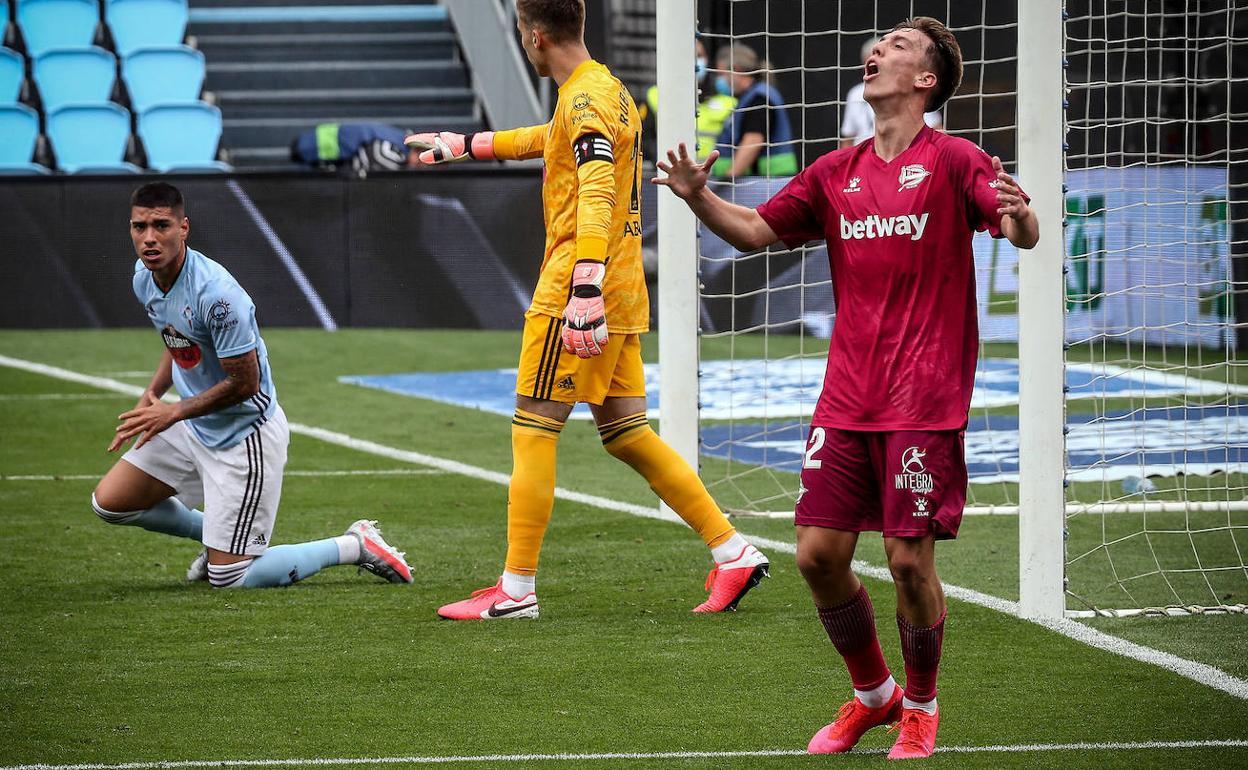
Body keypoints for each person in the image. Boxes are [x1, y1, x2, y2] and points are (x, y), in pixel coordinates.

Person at [654, 17, 1037, 759]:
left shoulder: (955, 160)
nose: (878, 50)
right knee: (817, 556)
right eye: (879, 43)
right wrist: (698, 198)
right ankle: (874, 697)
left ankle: (922, 707)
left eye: (897, 45)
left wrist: (1021, 220)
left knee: (906, 561)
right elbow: (756, 232)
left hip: (924, 398)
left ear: (926, 80)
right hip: (847, 397)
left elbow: (1020, 232)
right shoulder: (836, 172)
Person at [405, 0, 769, 620]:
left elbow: (598, 186)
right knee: (627, 435)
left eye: (522, 34)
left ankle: (516, 590)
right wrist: (467, 144)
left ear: (535, 35)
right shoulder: (607, 90)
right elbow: (551, 141)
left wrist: (583, 288)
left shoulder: (583, 98)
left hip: (579, 286)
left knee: (532, 427)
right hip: (623, 289)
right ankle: (732, 551)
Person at [92, 182, 414, 589]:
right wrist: (153, 393)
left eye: (162, 225)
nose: (150, 238)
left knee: (230, 578)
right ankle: (216, 539)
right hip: (193, 423)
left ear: (184, 228)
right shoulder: (145, 276)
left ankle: (353, 545)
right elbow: (175, 336)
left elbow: (245, 383)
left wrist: (171, 410)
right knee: (111, 504)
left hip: (243, 435)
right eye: (140, 227)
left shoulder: (219, 296)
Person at [638, 37, 737, 164]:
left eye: (699, 55)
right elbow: (644, 140)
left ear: (707, 59)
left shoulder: (728, 102)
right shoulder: (655, 95)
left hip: (715, 177)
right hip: (669, 172)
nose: (695, 61)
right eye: (688, 55)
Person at [710, 42, 798, 178]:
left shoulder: (759, 98)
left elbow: (753, 140)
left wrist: (728, 177)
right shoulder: (750, 97)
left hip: (763, 184)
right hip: (761, 182)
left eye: (722, 74)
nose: (721, 80)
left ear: (736, 69)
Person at [841, 36, 944, 148]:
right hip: (865, 157)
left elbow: (937, 129)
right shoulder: (855, 94)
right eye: (871, 63)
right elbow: (848, 137)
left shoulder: (909, 89)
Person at [290, 122, 419, 173]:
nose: (421, 165)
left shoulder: (399, 139)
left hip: (319, 145)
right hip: (318, 148)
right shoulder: (395, 151)